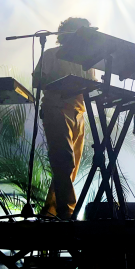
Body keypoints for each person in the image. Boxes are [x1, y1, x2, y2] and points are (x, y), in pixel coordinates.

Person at [32, 17, 96, 220]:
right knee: (64, 160)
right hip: (56, 108)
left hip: (79, 112)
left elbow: (91, 84)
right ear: (69, 33)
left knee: (71, 164)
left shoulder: (86, 60)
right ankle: (66, 213)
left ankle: (52, 211)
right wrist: (63, 84)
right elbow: (37, 80)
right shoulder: (52, 54)